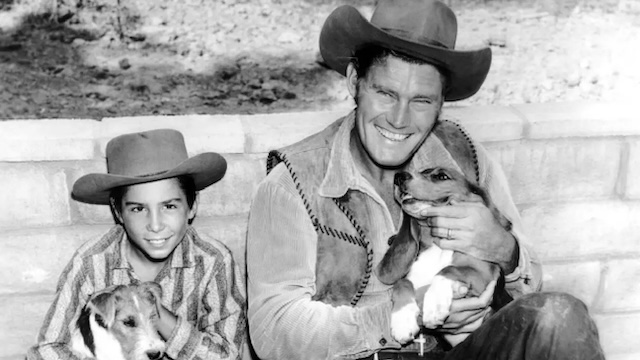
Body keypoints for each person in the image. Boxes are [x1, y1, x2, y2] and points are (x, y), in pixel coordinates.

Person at [246, 0, 605, 359]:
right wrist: (404, 313)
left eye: (421, 100)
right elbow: (274, 332)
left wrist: (504, 250)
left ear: (441, 102)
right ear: (356, 81)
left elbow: (528, 296)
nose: (399, 119)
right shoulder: (292, 183)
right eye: (386, 93)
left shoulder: (467, 161)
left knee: (560, 318)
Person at [27, 129, 246, 360]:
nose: (155, 225)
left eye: (169, 206)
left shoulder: (214, 261)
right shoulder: (92, 261)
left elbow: (226, 355)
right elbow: (48, 349)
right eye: (138, 209)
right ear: (118, 212)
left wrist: (154, 313)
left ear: (192, 206)